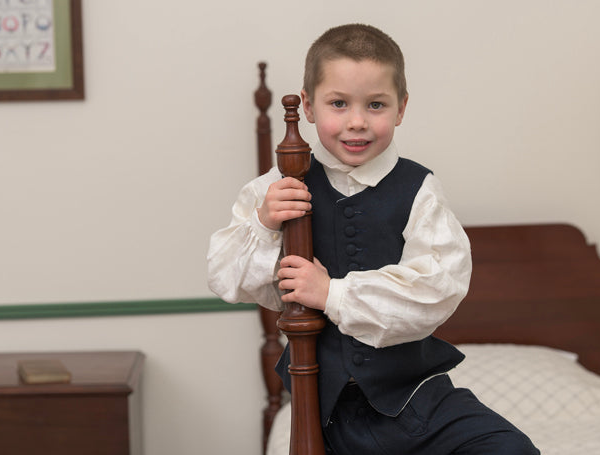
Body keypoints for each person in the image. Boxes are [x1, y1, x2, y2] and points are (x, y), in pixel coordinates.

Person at [207, 23, 539, 455]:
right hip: (327, 410)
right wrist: (265, 223)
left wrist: (331, 294)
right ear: (307, 106)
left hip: (421, 401)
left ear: (401, 108)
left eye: (376, 104)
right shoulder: (280, 186)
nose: (357, 122)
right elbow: (224, 276)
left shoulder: (419, 189)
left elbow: (437, 287)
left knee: (512, 451)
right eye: (339, 104)